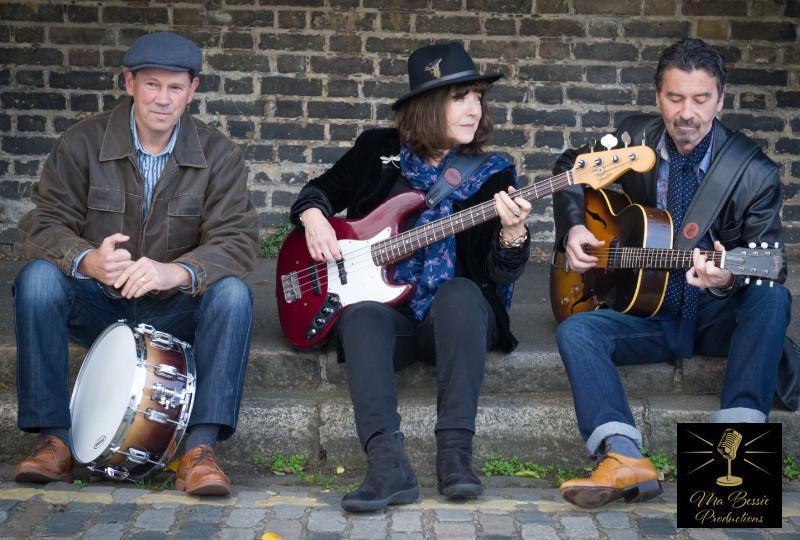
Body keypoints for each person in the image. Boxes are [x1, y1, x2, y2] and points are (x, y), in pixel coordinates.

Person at [551, 37, 793, 509]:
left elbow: (772, 262)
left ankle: (735, 467)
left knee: (772, 298)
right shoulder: (631, 140)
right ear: (658, 97)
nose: (688, 113)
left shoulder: (755, 174)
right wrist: (576, 226)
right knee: (577, 331)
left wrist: (729, 278)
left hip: (714, 314)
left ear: (720, 100)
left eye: (701, 99)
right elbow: (570, 168)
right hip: (647, 315)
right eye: (675, 98)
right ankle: (623, 457)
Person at [13, 32, 258, 496]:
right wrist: (87, 261)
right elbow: (41, 222)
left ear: (192, 90)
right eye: (151, 85)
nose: (162, 99)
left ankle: (199, 450)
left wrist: (178, 272)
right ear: (128, 83)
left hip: (173, 309)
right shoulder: (81, 143)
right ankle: (56, 443)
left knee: (233, 295)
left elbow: (238, 240)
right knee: (38, 280)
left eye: (174, 87)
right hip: (100, 303)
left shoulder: (219, 155)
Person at [289, 42, 531, 511]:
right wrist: (314, 216)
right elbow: (317, 190)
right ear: (425, 107)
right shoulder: (375, 150)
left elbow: (496, 272)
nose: (473, 109)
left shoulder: (493, 173)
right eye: (459, 98)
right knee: (359, 316)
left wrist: (513, 233)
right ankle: (387, 467)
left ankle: (456, 456)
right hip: (392, 321)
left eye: (477, 97)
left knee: (462, 293)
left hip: (453, 324)